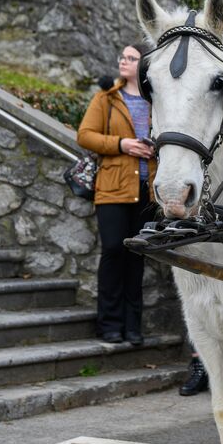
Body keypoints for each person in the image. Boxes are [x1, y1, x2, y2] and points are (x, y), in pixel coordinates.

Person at [76, 43, 156, 347]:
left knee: (136, 258)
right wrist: (122, 144)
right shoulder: (107, 98)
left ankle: (133, 327)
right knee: (112, 251)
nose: (123, 61)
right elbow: (85, 135)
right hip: (112, 188)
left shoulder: (156, 100)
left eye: (131, 58)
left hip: (147, 190)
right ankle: (109, 324)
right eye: (122, 56)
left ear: (143, 64)